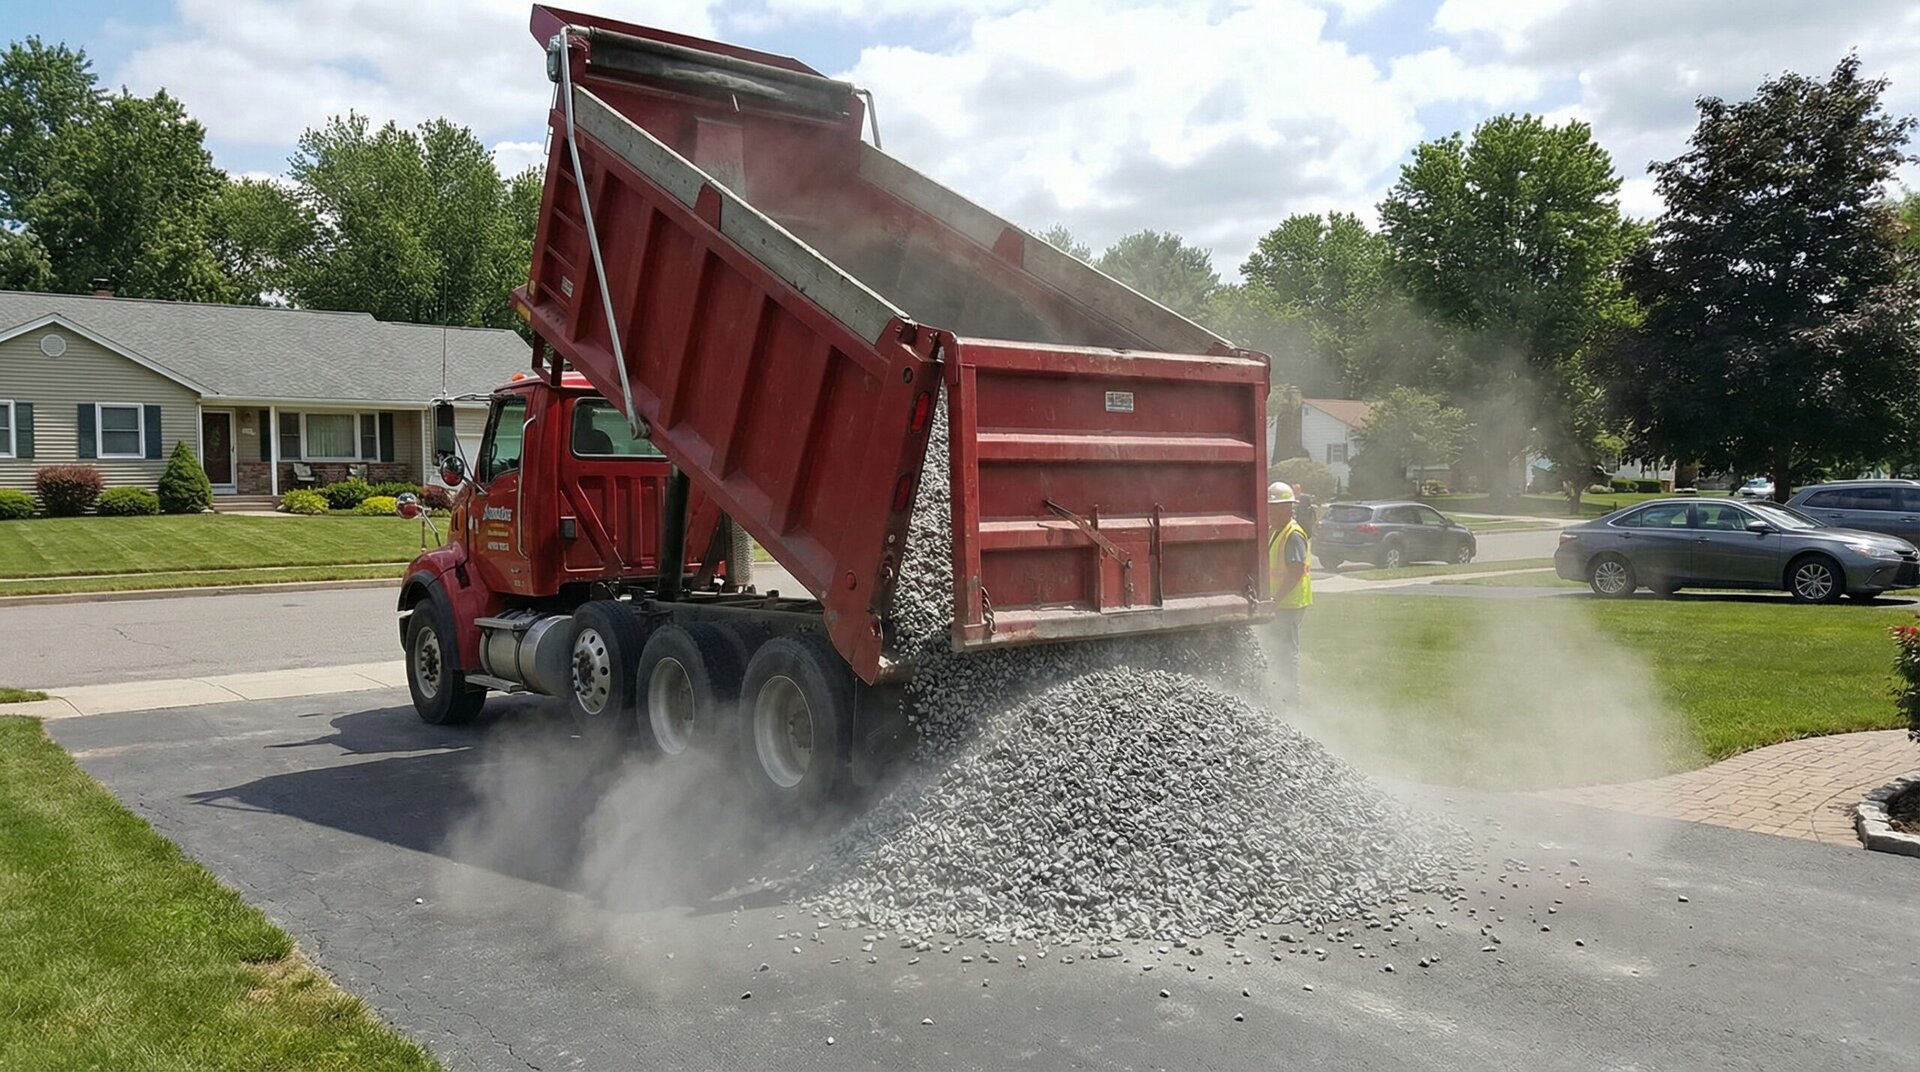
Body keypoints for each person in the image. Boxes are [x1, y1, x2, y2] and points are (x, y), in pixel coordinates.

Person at [1266, 480, 1312, 703]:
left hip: (1289, 605)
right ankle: (1279, 692)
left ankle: (1291, 698)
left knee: (1285, 653)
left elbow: (1295, 571)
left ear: (1286, 509)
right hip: (1281, 604)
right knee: (1276, 650)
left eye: (1272, 508)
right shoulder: (1277, 531)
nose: (1269, 512)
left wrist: (1275, 599)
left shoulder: (1292, 534)